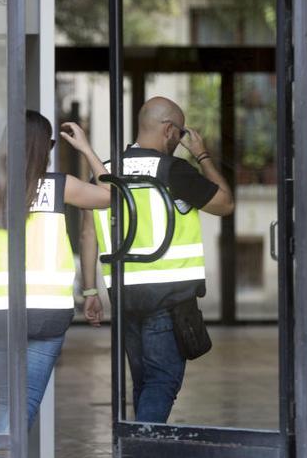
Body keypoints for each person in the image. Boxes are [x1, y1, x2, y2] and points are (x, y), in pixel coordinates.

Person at [0, 111, 111, 434]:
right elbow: (111, 197)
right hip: (47, 312)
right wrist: (87, 151)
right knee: (24, 401)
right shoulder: (58, 187)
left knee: (10, 400)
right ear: (44, 148)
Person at [80, 96, 234, 423]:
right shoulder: (173, 170)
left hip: (124, 294)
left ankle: (138, 452)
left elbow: (88, 234)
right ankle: (142, 455)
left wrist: (90, 292)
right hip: (167, 295)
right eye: (179, 134)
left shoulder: (105, 170)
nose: (179, 140)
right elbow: (224, 204)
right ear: (168, 130)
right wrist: (202, 155)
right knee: (162, 381)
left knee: (144, 383)